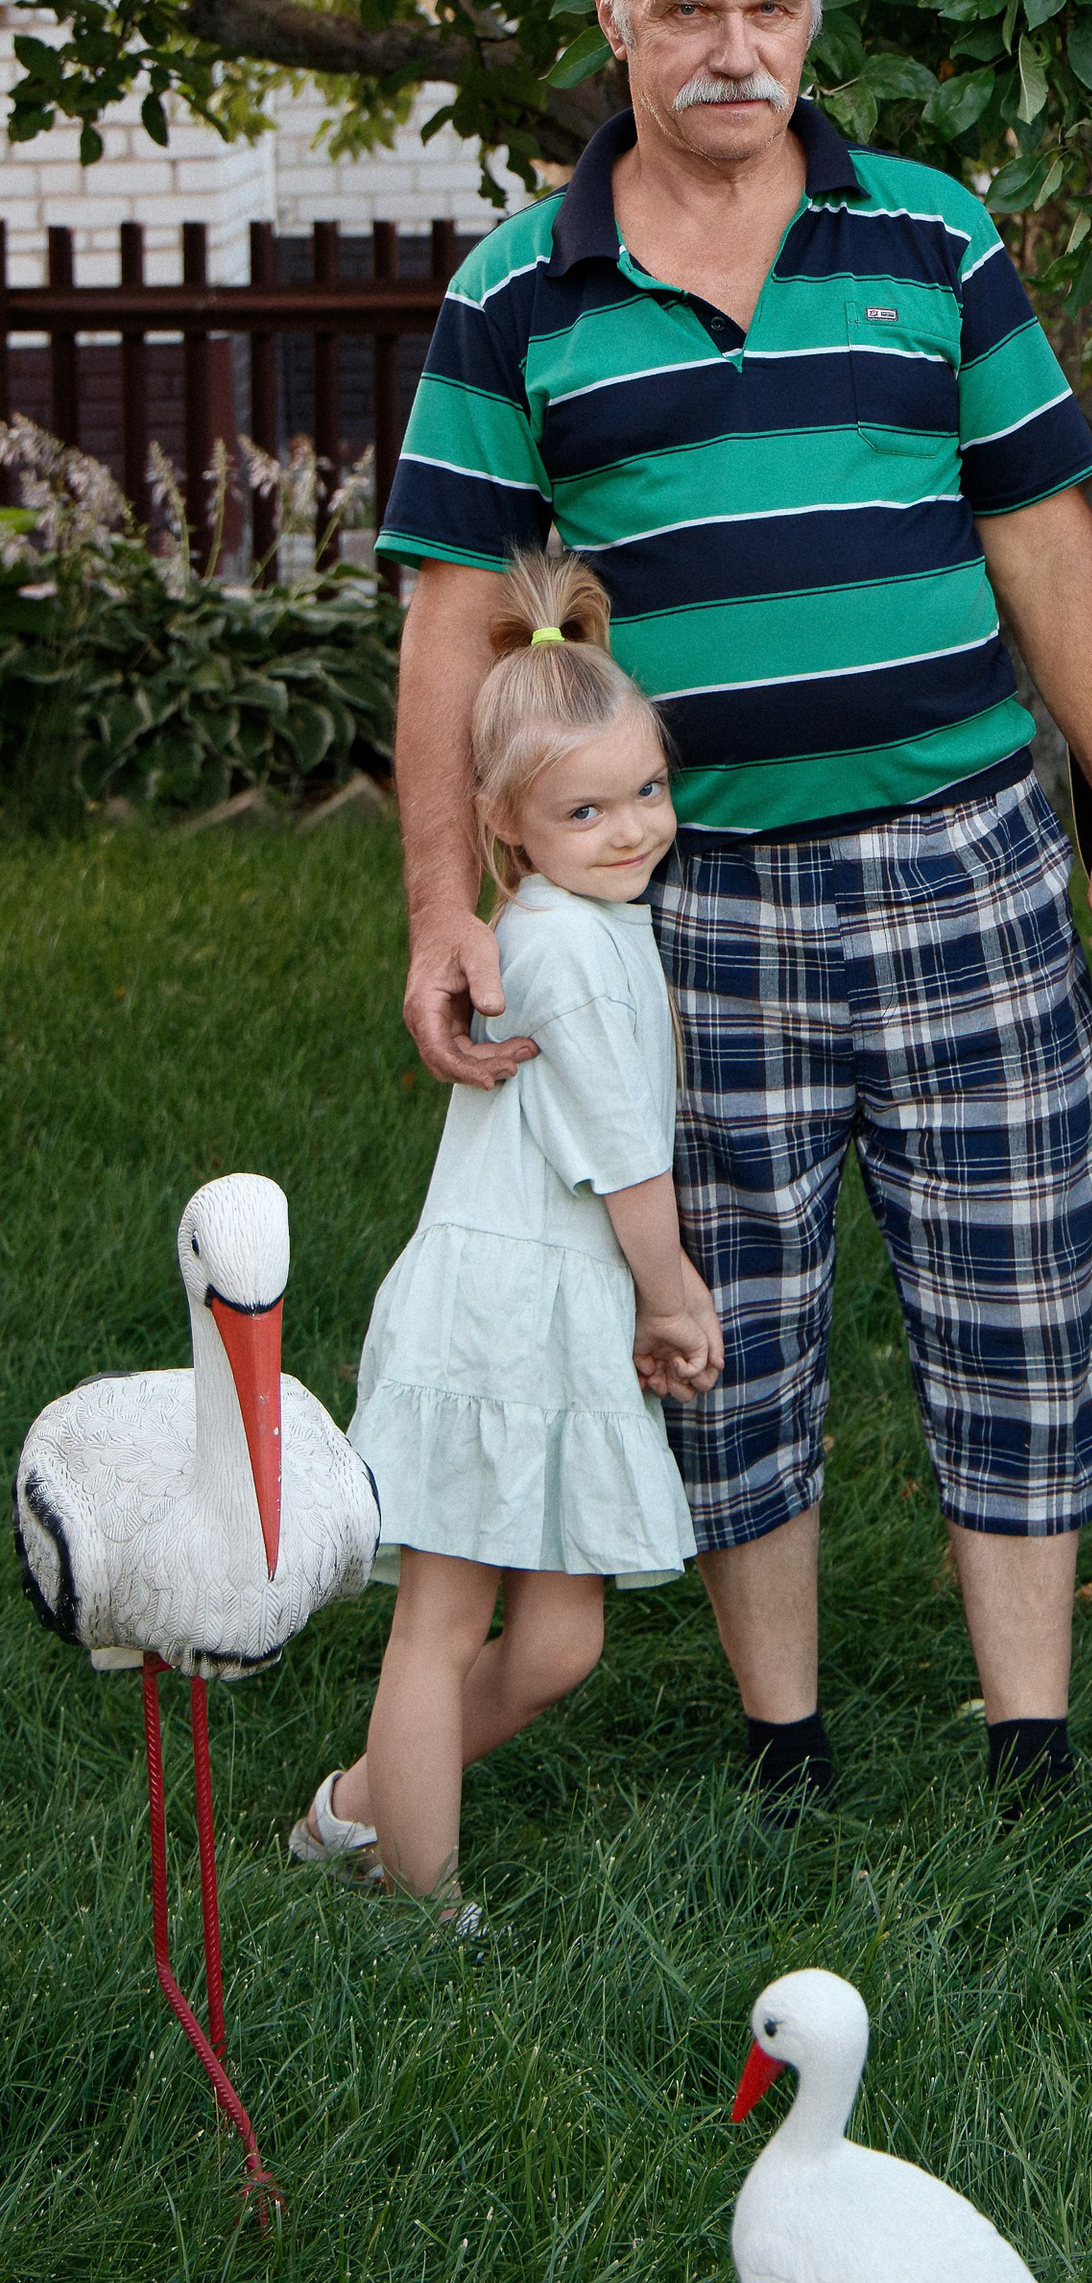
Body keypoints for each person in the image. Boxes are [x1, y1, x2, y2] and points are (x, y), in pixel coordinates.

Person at [378, 0, 1092, 1820]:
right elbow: (453, 619)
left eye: (770, 8)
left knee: (1015, 1285)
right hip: (678, 902)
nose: (735, 49)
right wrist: (442, 909)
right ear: (615, 20)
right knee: (725, 1310)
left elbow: (1045, 538)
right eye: (689, 9)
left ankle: (1030, 1743)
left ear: (811, 19)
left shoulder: (929, 236)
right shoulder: (517, 291)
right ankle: (784, 1744)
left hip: (964, 852)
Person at [294, 547, 720, 1914]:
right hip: (498, 1319)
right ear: (507, 827)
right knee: (441, 1626)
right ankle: (422, 1907)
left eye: (646, 790)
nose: (630, 829)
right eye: (584, 810)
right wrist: (673, 1300)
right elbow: (625, 1159)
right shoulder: (563, 951)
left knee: (556, 1646)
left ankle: (354, 1811)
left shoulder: (600, 921)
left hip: (560, 1317)